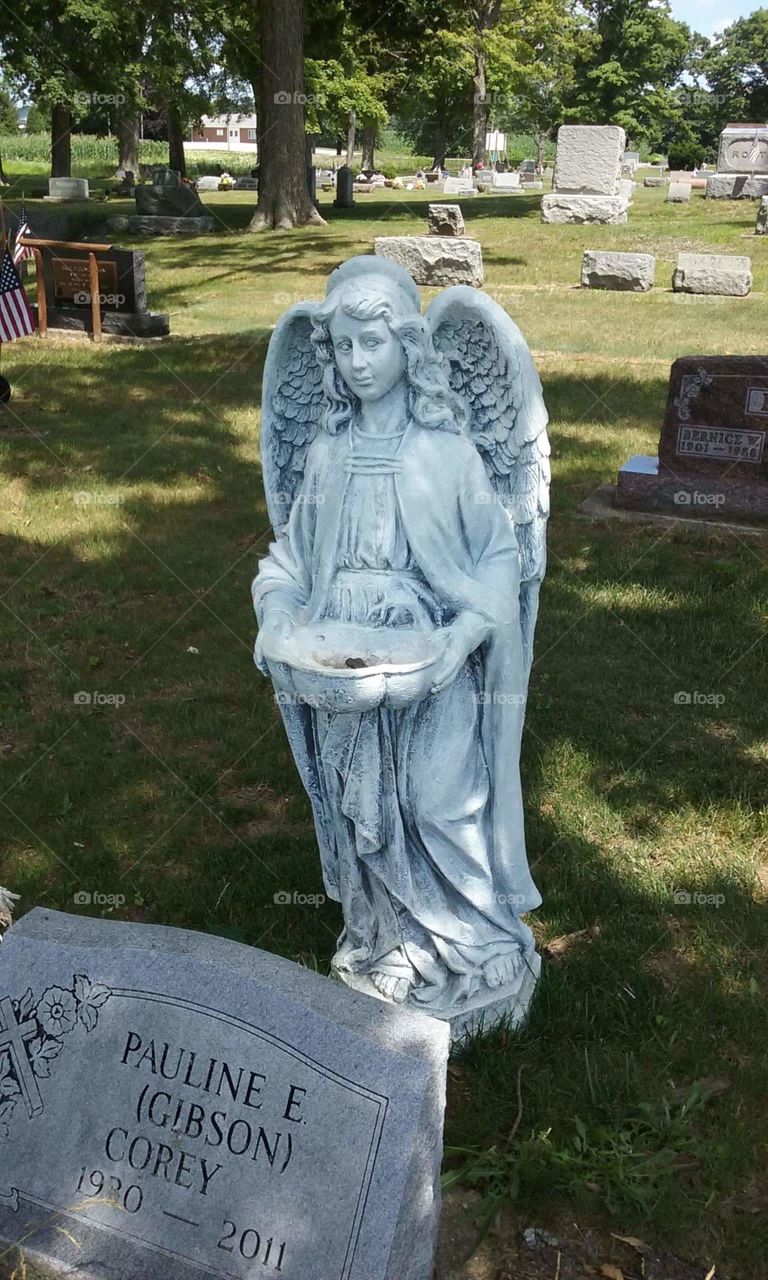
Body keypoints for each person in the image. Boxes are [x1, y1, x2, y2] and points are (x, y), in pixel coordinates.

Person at [253, 271, 540, 1018]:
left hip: (430, 652)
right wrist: (279, 613)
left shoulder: (446, 455)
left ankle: (478, 943)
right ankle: (389, 941)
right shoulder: (326, 455)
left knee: (439, 800)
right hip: (339, 654)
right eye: (343, 346)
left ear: (407, 346)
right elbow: (289, 558)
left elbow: (499, 559)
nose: (356, 360)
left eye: (371, 342)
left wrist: (462, 637)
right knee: (365, 811)